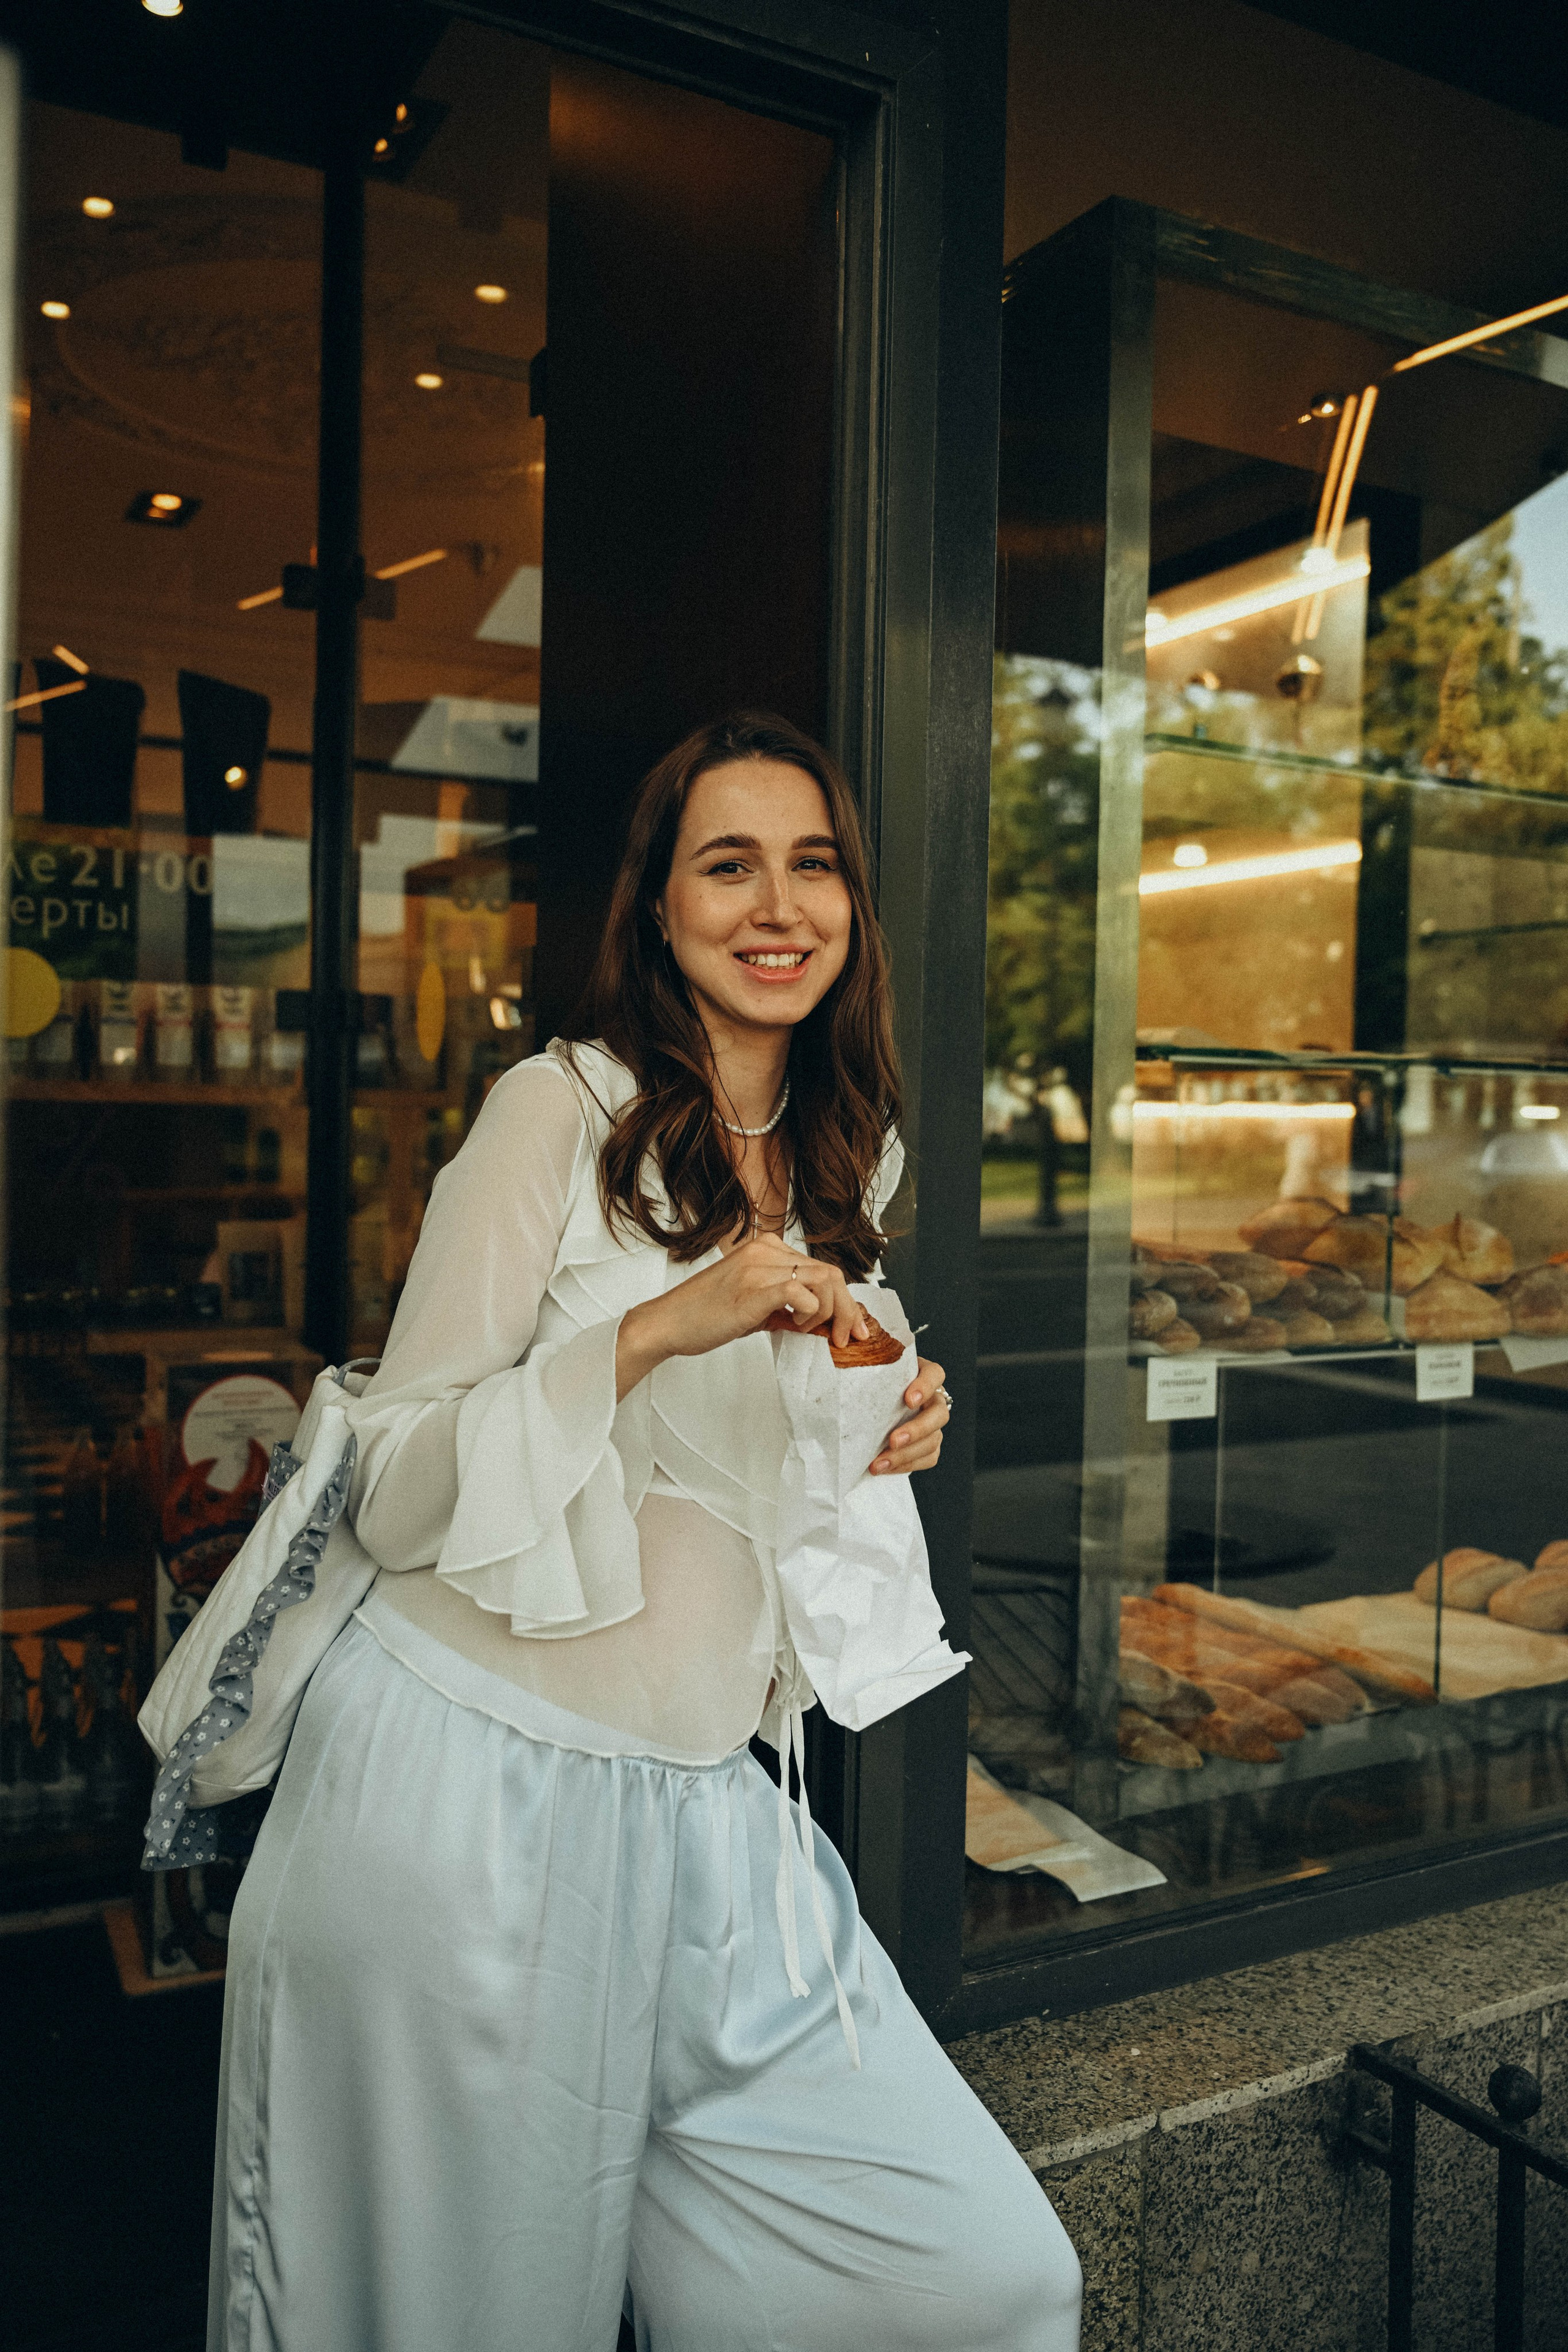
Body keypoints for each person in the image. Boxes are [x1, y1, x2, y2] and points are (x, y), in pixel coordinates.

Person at [208, 711, 1083, 2351]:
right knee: (464, 2320)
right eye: (728, 863)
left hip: (717, 1826)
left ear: (853, 908)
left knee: (976, 2281)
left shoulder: (844, 1154)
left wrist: (887, 1423)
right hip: (472, 1798)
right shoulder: (555, 1112)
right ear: (661, 908)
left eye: (813, 864)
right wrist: (656, 1330)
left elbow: (747, 1493)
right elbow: (394, 1479)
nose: (778, 904)